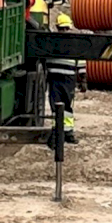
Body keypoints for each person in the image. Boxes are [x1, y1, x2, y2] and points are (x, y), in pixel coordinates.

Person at [47, 14, 86, 144]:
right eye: (61, 29)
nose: (63, 31)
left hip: (65, 79)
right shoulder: (53, 41)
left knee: (66, 106)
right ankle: (58, 132)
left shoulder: (73, 43)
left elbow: (80, 62)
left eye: (65, 28)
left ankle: (67, 132)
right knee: (56, 107)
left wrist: (83, 79)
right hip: (58, 79)